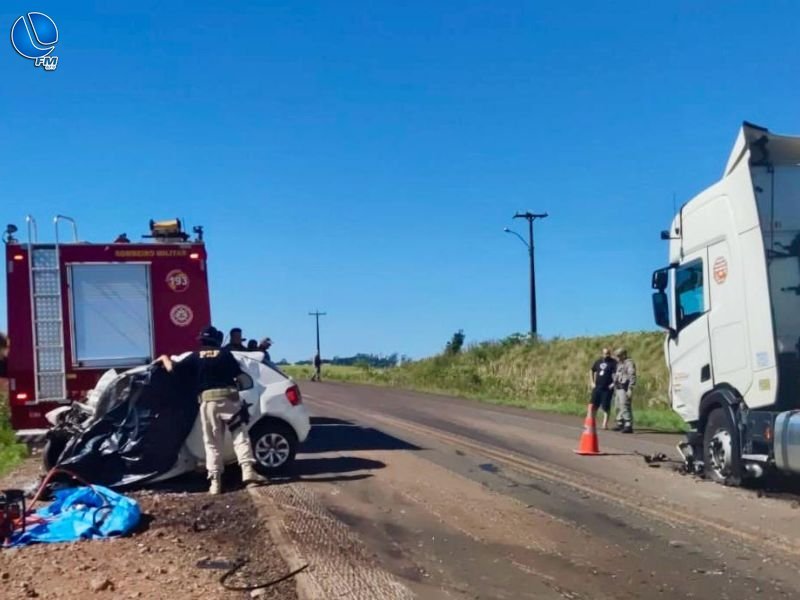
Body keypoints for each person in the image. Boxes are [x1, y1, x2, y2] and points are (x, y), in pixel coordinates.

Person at [155, 325, 263, 495]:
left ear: (202, 340)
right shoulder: (225, 355)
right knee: (239, 435)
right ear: (217, 340)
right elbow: (239, 375)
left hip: (208, 403)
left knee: (212, 442)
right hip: (230, 400)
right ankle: (248, 471)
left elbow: (173, 370)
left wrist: (164, 358)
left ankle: (215, 483)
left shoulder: (195, 357)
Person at [589, 347, 617, 429]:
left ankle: (605, 424)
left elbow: (617, 374)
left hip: (607, 389)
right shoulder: (598, 361)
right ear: (602, 353)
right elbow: (591, 370)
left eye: (608, 353)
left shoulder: (613, 362)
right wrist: (592, 382)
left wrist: (613, 384)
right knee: (594, 405)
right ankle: (592, 422)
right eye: (605, 353)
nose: (606, 355)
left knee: (605, 406)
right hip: (597, 387)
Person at [613, 347, 637, 433]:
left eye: (619, 355)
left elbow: (632, 376)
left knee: (624, 405)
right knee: (617, 406)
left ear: (624, 355)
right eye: (616, 356)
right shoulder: (619, 364)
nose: (617, 357)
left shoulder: (629, 363)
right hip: (618, 387)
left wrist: (630, 388)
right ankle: (620, 422)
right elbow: (617, 375)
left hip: (625, 387)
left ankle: (628, 424)